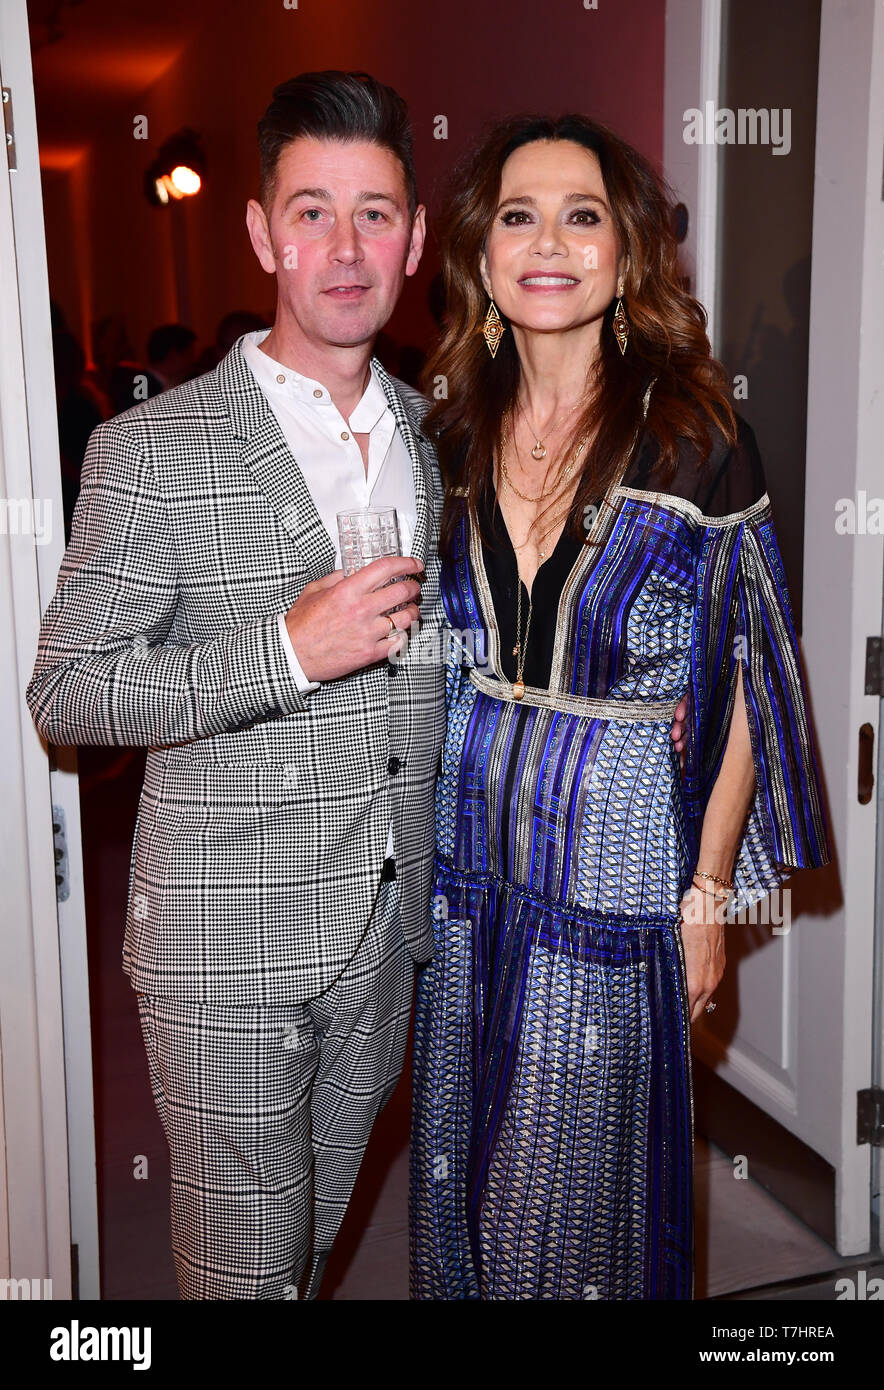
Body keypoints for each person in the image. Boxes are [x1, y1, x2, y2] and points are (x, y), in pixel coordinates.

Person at [26, 73, 687, 1301]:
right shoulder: (151, 448)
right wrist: (283, 648)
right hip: (223, 948)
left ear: (418, 239)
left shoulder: (448, 430)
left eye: (375, 214)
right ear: (261, 231)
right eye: (312, 212)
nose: (344, 249)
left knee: (313, 1248)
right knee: (241, 1275)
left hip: (397, 940)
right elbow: (68, 693)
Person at [409, 114, 832, 1300]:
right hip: (464, 859)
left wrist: (704, 895)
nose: (549, 240)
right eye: (518, 214)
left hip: (612, 868)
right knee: (460, 1179)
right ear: (480, 255)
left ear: (625, 250)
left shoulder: (695, 438)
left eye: (581, 215)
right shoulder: (446, 426)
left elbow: (750, 673)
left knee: (567, 1201)